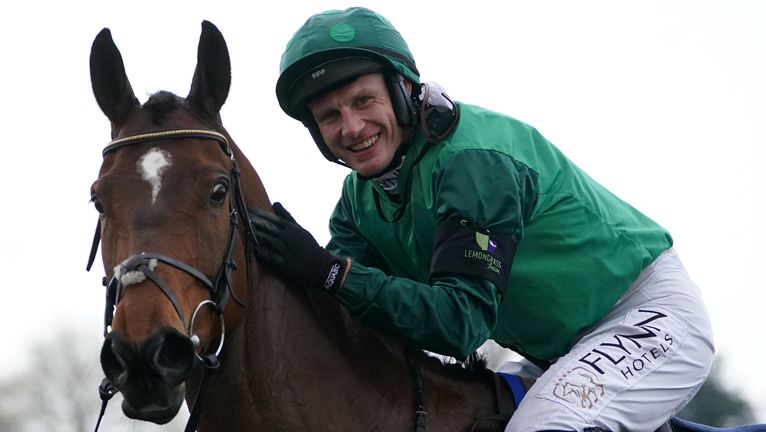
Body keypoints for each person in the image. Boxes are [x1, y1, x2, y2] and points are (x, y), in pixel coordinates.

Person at [249, 7, 714, 432]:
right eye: (329, 116)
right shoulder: (357, 202)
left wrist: (329, 272)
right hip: (556, 353)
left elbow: (458, 325)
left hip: (646, 315)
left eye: (363, 101)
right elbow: (346, 311)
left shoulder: (473, 162)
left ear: (403, 89)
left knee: (540, 426)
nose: (350, 128)